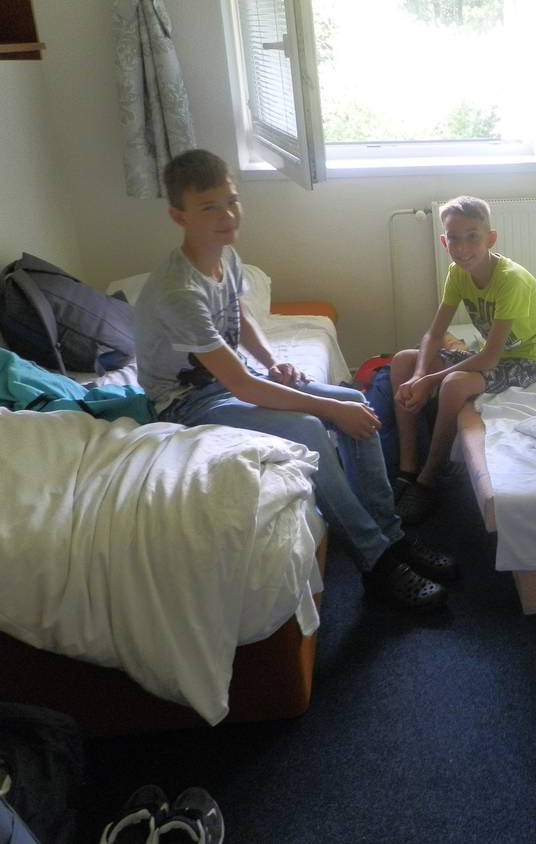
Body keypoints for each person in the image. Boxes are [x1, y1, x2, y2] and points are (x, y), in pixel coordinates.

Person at [133, 149, 455, 612]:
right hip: (186, 403)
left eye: (232, 201)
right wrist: (326, 409)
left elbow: (238, 315)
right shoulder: (177, 291)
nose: (227, 216)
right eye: (209, 207)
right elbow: (242, 388)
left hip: (228, 382)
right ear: (179, 216)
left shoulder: (226, 255)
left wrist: (272, 362)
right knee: (310, 427)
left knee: (354, 401)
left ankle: (391, 534)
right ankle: (375, 560)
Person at [389, 195, 536, 524]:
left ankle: (429, 477)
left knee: (453, 384)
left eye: (472, 237)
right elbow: (434, 333)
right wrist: (418, 375)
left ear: (490, 239)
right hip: (491, 354)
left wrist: (430, 380)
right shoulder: (457, 273)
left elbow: (491, 357)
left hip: (529, 360)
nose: (462, 247)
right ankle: (407, 469)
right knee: (402, 361)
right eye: (454, 238)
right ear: (444, 242)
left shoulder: (511, 280)